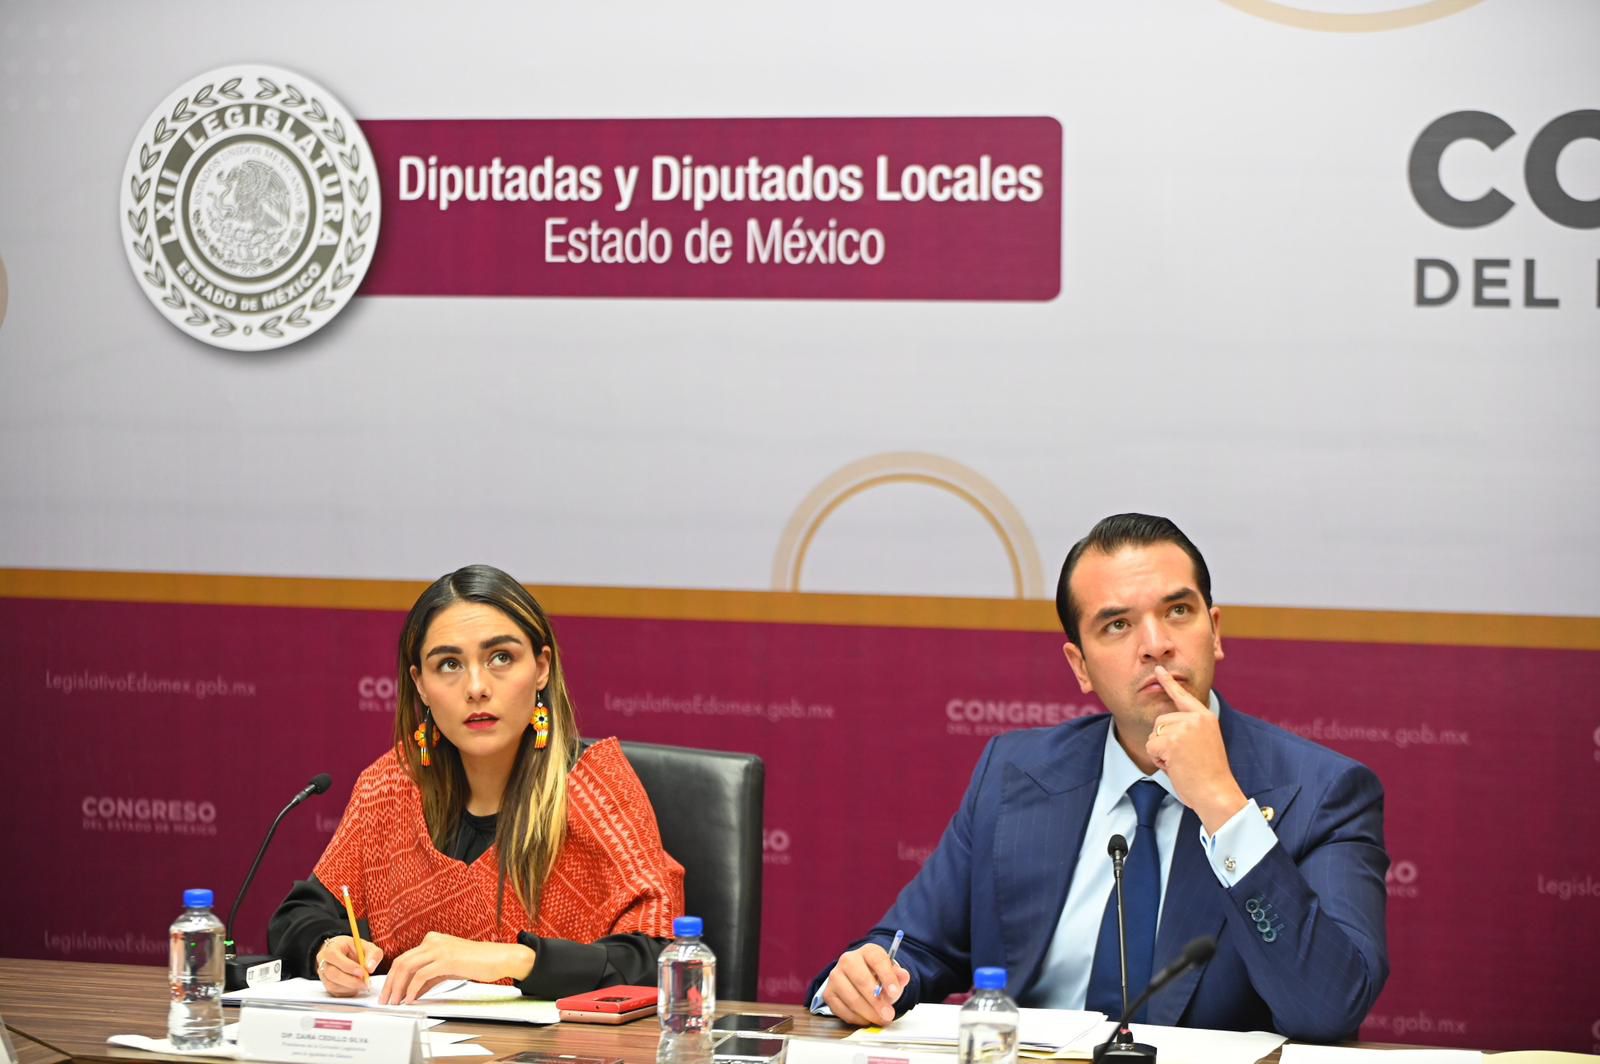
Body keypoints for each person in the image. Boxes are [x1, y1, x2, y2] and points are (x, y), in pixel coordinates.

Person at [809, 514, 1388, 1041]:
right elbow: (916, 947)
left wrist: (1224, 806)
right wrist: (868, 978)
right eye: (1117, 624)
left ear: (1214, 632)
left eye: (1177, 612)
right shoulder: (1013, 773)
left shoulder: (1323, 793)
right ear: (1080, 665)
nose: (1155, 645)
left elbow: (1329, 1009)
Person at [269, 564, 684, 1004]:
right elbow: (300, 914)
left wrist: (512, 960)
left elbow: (661, 957)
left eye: (501, 657)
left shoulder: (594, 788)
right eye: (449, 664)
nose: (476, 687)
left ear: (541, 668)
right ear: (420, 685)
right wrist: (327, 949)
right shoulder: (391, 786)